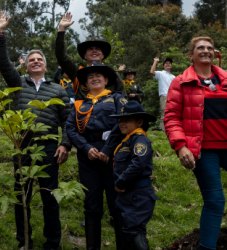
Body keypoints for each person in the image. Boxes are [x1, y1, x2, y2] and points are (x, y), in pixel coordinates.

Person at [0, 11, 72, 250]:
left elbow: (67, 121)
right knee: (22, 197)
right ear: (26, 67)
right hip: (23, 146)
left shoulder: (58, 90)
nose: (35, 61)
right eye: (31, 60)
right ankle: (23, 242)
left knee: (50, 196)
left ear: (46, 66)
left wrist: (65, 144)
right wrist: (0, 33)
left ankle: (52, 243)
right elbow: (4, 63)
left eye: (39, 59)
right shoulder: (18, 83)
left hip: (49, 148)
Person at [164, 37, 227, 250]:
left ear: (215, 54)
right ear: (191, 55)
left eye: (210, 48)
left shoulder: (226, 80)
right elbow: (171, 118)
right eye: (200, 48)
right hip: (204, 150)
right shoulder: (180, 82)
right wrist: (181, 146)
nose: (206, 51)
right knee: (215, 201)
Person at [66, 62, 127, 250]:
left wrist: (107, 150)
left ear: (106, 79)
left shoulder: (117, 99)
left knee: (117, 204)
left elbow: (123, 123)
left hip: (113, 155)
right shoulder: (79, 104)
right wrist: (85, 148)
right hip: (88, 157)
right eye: (90, 77)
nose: (94, 78)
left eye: (98, 75)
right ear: (86, 83)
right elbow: (70, 128)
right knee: (91, 205)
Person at [110, 101, 158, 249]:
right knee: (127, 231)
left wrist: (120, 182)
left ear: (139, 122)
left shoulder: (140, 139)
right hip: (127, 195)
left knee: (134, 230)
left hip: (137, 195)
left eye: (127, 120)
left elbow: (138, 164)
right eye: (121, 120)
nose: (122, 123)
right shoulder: (127, 140)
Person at [56, 12, 127, 101]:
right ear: (85, 56)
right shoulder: (77, 72)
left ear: (103, 55)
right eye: (90, 49)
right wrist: (61, 29)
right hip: (83, 112)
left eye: (97, 49)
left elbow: (124, 97)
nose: (94, 50)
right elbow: (61, 57)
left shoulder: (112, 74)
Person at [150, 56, 175, 131]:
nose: (168, 64)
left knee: (173, 114)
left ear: (171, 65)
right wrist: (155, 61)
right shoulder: (160, 73)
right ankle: (163, 129)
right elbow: (151, 72)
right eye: (166, 63)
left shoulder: (174, 77)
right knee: (164, 113)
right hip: (164, 96)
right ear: (163, 65)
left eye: (169, 63)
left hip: (173, 97)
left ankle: (171, 129)